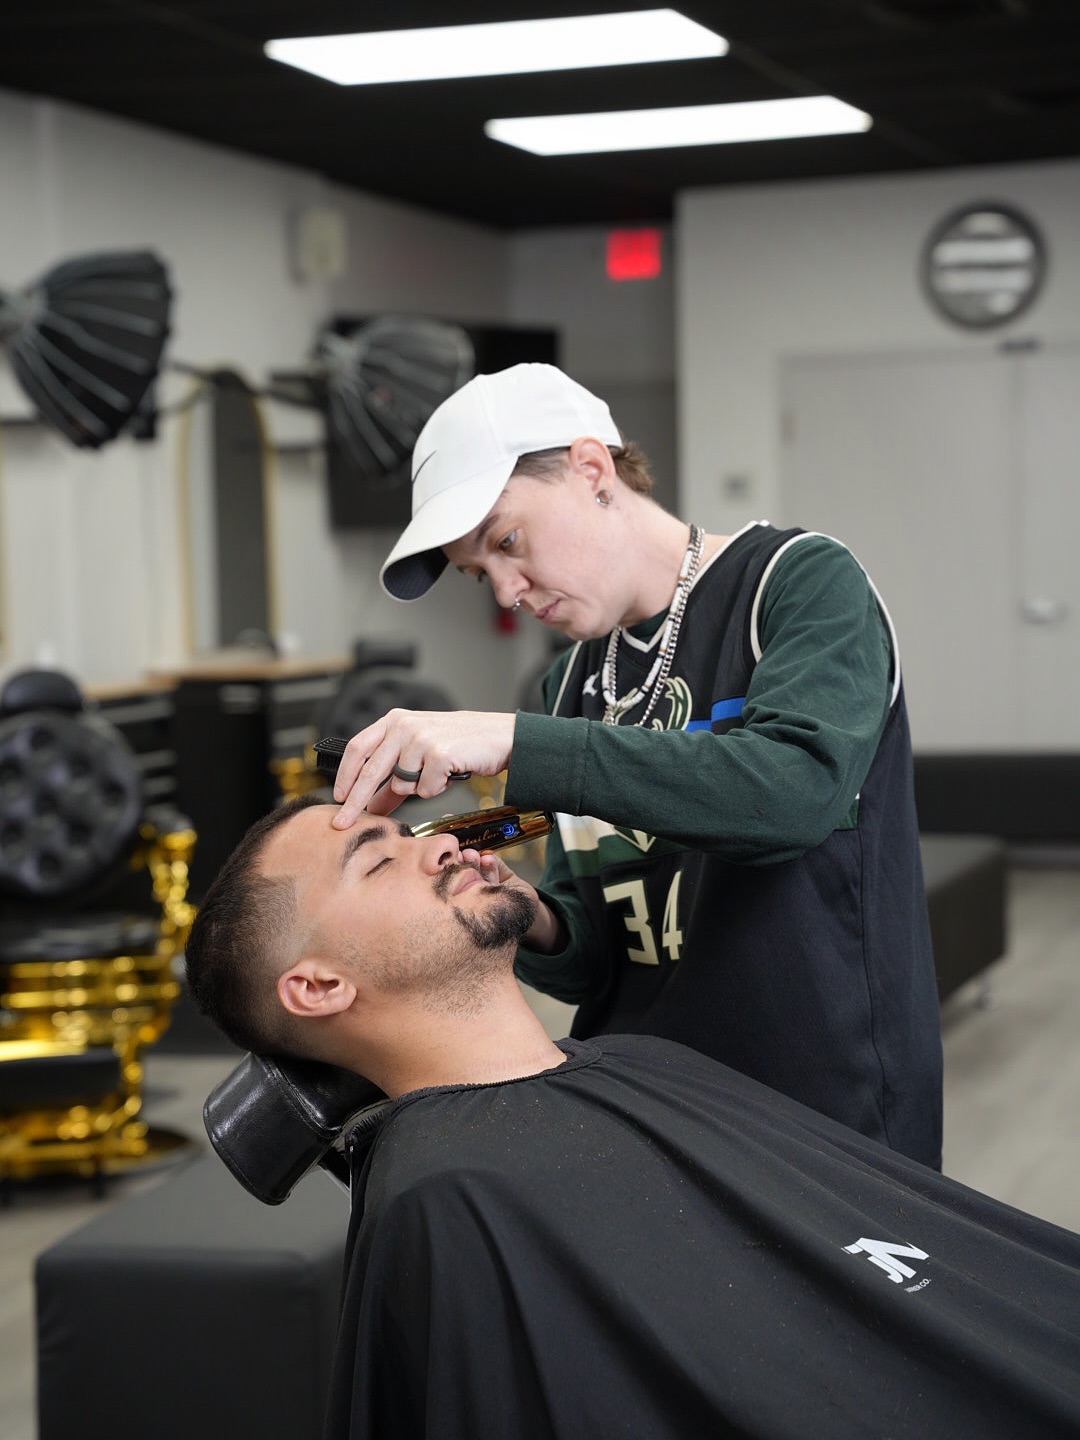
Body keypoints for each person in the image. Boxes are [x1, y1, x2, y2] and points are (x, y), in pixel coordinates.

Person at [182, 796, 1080, 1440]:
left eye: (417, 830)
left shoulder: (644, 1061)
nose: (443, 845)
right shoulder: (451, 1202)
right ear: (317, 986)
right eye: (379, 859)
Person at [327, 362, 943, 1168]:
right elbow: (591, 956)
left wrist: (518, 742)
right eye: (482, 573)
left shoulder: (797, 585)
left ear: (592, 470)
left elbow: (793, 792)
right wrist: (523, 907)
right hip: (648, 1105)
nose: (507, 591)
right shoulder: (567, 687)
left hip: (824, 1102)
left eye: (508, 542)